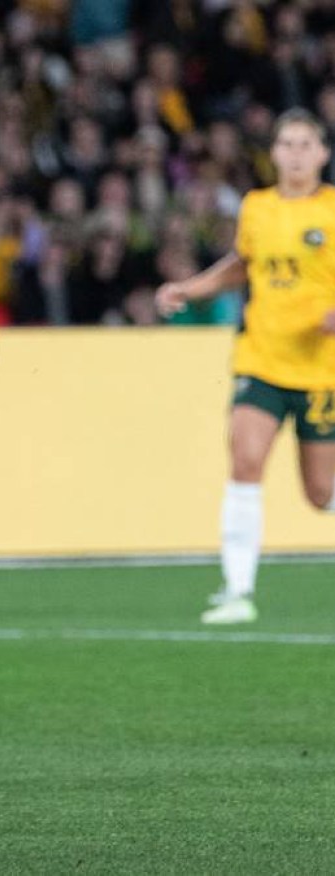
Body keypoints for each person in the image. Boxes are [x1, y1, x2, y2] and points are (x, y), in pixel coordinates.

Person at [156, 108, 335, 625]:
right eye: (288, 144)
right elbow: (242, 264)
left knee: (321, 495)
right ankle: (237, 590)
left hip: (320, 368)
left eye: (307, 145)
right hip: (261, 359)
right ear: (274, 152)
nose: (297, 154)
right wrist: (189, 288)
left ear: (322, 154)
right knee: (245, 461)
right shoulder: (257, 207)